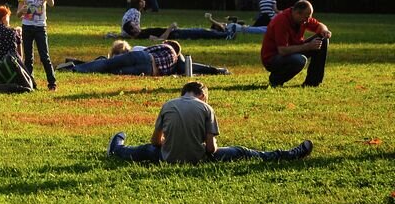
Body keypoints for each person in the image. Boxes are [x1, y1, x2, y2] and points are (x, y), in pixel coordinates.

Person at [107, 81, 312, 163]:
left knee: (140, 151)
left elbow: (154, 141)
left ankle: (116, 146)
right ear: (202, 96)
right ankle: (286, 155)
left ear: (183, 93)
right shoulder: (207, 108)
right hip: (198, 158)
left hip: (166, 157)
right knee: (242, 152)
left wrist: (171, 144)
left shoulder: (168, 104)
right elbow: (212, 149)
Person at [261, 0, 331, 88]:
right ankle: (276, 79)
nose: (308, 20)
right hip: (273, 58)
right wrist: (308, 46)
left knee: (323, 40)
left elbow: (319, 25)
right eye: (306, 17)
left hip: (292, 50)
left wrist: (325, 30)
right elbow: (282, 50)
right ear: (297, 13)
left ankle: (313, 82)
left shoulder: (301, 18)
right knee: (299, 60)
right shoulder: (281, 21)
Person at [16, 0, 57, 91]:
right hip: (27, 27)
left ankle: (52, 83)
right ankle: (30, 82)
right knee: (29, 58)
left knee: (45, 56)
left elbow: (51, 3)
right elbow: (18, 14)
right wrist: (22, 10)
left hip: (40, 28)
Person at [60, 40, 183, 76]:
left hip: (144, 58)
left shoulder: (166, 47)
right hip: (148, 71)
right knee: (112, 71)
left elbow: (148, 50)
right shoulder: (175, 64)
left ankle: (73, 68)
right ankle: (75, 66)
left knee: (107, 64)